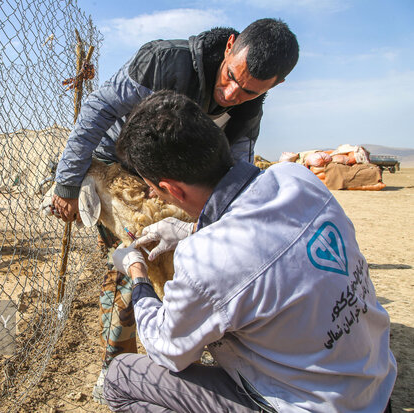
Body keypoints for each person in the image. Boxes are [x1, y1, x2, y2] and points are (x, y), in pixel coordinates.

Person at [51, 18, 299, 403]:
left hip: (177, 186)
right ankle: (117, 366)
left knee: (184, 268)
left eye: (249, 90)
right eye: (231, 76)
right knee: (131, 267)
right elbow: (97, 109)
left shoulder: (250, 107)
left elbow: (236, 166)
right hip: (118, 171)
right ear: (229, 46)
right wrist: (69, 181)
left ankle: (174, 354)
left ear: (274, 85)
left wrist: (211, 225)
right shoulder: (165, 62)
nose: (233, 93)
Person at [103, 90, 397, 412]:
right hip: (375, 386)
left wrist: (137, 271)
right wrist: (190, 229)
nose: (152, 194)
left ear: (171, 189)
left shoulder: (204, 260)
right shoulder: (296, 178)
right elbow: (264, 239)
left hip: (312, 405)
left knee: (120, 377)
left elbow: (167, 349)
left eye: (152, 187)